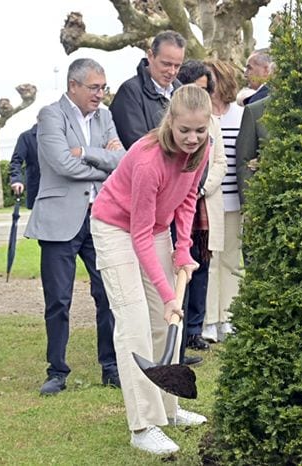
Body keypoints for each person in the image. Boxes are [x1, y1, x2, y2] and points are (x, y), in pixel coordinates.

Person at [90, 84, 210, 456]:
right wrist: (168, 293)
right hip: (116, 228)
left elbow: (189, 199)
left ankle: (169, 409)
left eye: (200, 130)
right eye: (184, 130)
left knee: (163, 323)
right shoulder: (147, 159)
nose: (192, 139)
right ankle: (142, 426)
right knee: (134, 323)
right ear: (170, 121)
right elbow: (138, 235)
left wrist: (182, 251)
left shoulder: (202, 149)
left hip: (155, 229)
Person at [24, 58, 124, 395]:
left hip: (101, 218)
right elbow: (62, 164)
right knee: (58, 300)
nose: (100, 94)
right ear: (73, 86)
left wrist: (85, 152)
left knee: (108, 294)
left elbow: (122, 160)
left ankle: (111, 367)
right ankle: (57, 371)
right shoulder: (50, 115)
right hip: (58, 221)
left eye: (103, 87)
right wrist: (102, 160)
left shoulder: (106, 115)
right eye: (94, 87)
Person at [201, 59, 244, 343]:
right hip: (209, 200)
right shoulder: (201, 115)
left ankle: (227, 317)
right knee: (211, 260)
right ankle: (207, 320)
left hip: (235, 200)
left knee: (230, 260)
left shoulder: (241, 115)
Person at [176, 59, 216, 353]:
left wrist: (201, 188)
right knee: (179, 269)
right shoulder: (176, 126)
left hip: (201, 205)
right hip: (173, 207)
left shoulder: (208, 124)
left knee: (199, 266)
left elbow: (222, 161)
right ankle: (174, 334)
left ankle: (193, 329)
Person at [110, 30, 186, 149]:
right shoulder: (130, 93)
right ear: (150, 56)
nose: (172, 71)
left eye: (177, 66)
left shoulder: (183, 93)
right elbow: (139, 145)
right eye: (166, 64)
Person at [9, 123, 39, 209]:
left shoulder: (61, 135)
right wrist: (16, 180)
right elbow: (16, 161)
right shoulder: (26, 137)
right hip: (37, 188)